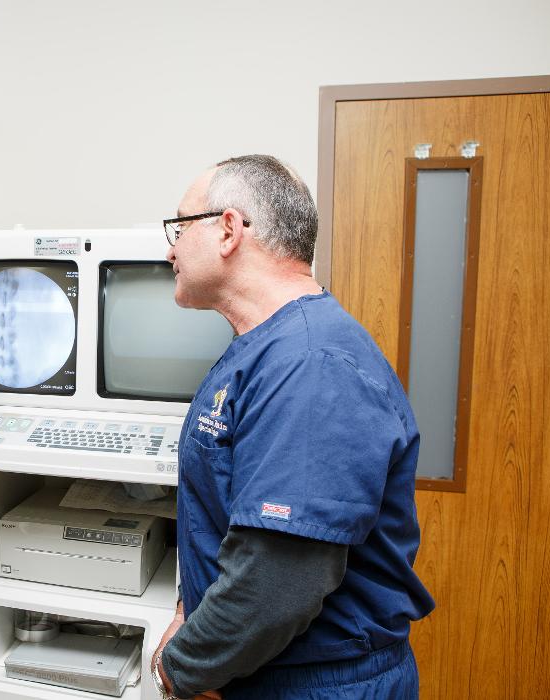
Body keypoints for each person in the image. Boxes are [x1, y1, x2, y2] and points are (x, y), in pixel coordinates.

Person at [150, 155, 435, 700]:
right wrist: (191, 613)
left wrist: (177, 669)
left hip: (313, 683)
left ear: (228, 230)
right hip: (252, 668)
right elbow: (225, 521)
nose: (170, 249)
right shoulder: (266, 347)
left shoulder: (311, 363)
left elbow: (277, 584)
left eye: (179, 227)